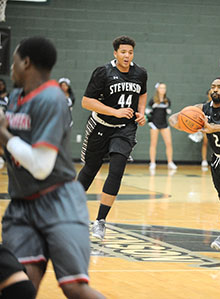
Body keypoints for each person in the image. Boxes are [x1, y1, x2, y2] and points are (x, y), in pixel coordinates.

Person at [0, 36, 104, 298]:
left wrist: (2, 134)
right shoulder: (14, 98)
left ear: (26, 63)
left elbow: (41, 167)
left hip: (57, 200)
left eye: (13, 62)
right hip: (22, 203)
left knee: (74, 287)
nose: (10, 68)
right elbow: (12, 147)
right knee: (19, 284)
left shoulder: (52, 99)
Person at [169, 77, 220, 252]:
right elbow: (173, 118)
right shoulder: (202, 109)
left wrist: (214, 128)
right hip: (217, 159)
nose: (215, 90)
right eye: (213, 87)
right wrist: (186, 125)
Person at [77, 35, 148, 240]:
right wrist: (114, 111)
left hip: (125, 129)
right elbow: (86, 102)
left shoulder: (140, 73)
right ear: (115, 53)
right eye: (123, 52)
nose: (127, 55)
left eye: (130, 52)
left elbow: (142, 93)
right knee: (90, 169)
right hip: (101, 125)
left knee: (116, 171)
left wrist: (141, 112)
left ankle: (100, 221)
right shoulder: (103, 72)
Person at [146, 82, 177, 170]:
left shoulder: (167, 101)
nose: (163, 90)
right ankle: (152, 162)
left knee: (169, 143)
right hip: (154, 124)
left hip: (164, 124)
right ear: (157, 89)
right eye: (161, 88)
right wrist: (150, 123)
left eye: (164, 88)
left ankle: (170, 162)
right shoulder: (153, 100)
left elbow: (168, 113)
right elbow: (147, 113)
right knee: (153, 144)